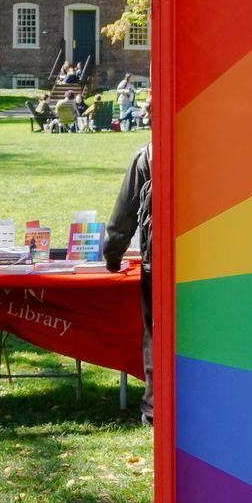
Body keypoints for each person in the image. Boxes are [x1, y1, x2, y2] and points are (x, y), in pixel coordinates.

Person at [103, 135, 155, 425]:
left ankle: (153, 407)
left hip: (158, 262)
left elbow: (123, 214)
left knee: (156, 336)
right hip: (210, 265)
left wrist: (113, 255)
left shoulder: (148, 155)